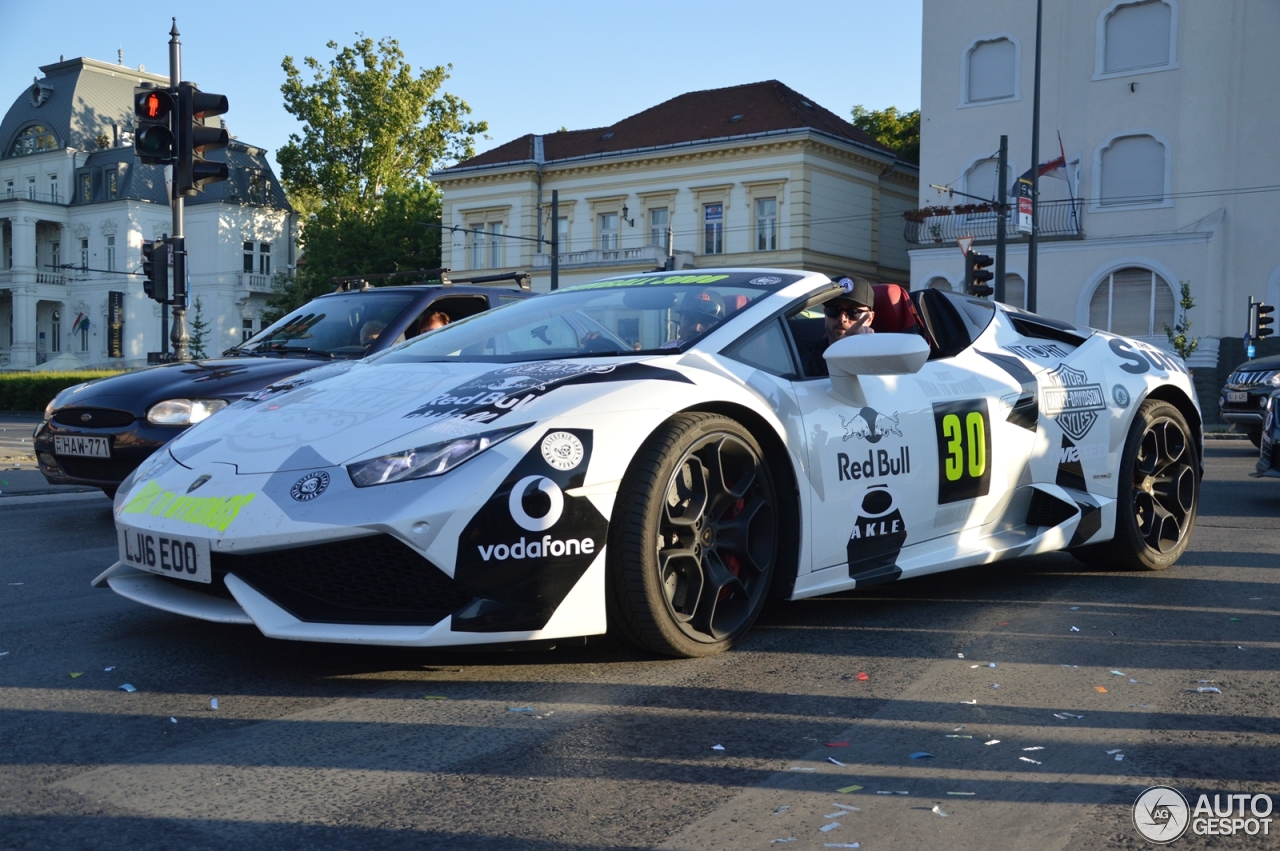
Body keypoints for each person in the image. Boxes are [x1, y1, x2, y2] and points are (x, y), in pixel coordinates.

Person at [804, 276, 876, 376]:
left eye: (853, 312)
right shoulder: (807, 357)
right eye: (833, 310)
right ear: (825, 313)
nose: (842, 318)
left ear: (869, 318)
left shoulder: (881, 359)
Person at [660, 289, 726, 349]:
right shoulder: (664, 354)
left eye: (706, 322)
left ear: (721, 326)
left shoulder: (730, 354)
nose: (696, 329)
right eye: (689, 320)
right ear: (680, 321)